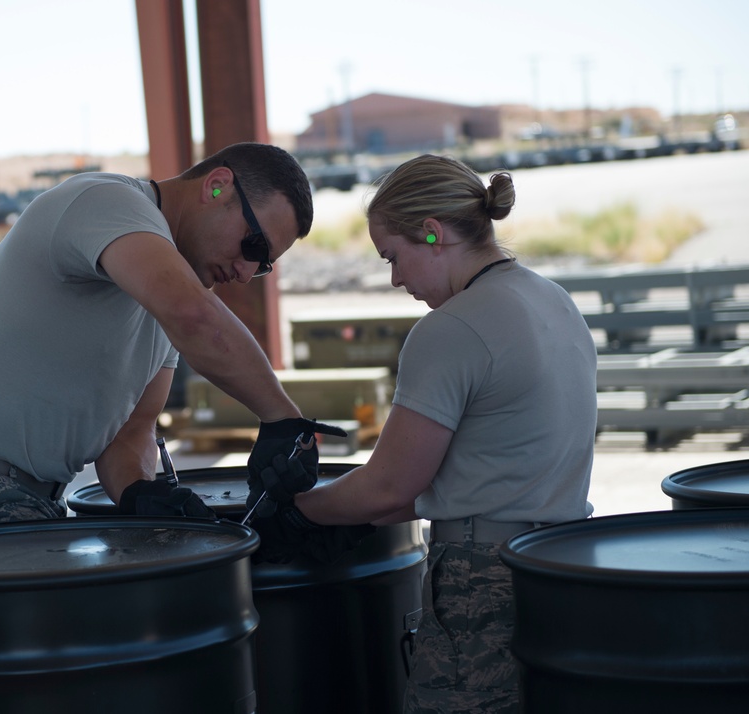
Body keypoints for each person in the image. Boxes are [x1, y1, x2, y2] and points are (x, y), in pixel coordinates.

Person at [249, 154, 597, 713]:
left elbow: (390, 485)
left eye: (394, 256)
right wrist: (347, 513)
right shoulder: (551, 299)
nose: (396, 279)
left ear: (432, 233)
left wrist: (294, 512)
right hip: (561, 563)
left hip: (483, 576)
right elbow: (477, 471)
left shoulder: (452, 329)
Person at [0, 141, 342, 537]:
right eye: (253, 246)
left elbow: (130, 434)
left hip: (30, 502)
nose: (244, 273)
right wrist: (283, 419)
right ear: (215, 185)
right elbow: (195, 317)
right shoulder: (104, 202)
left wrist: (143, 494)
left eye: (261, 266)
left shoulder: (165, 298)